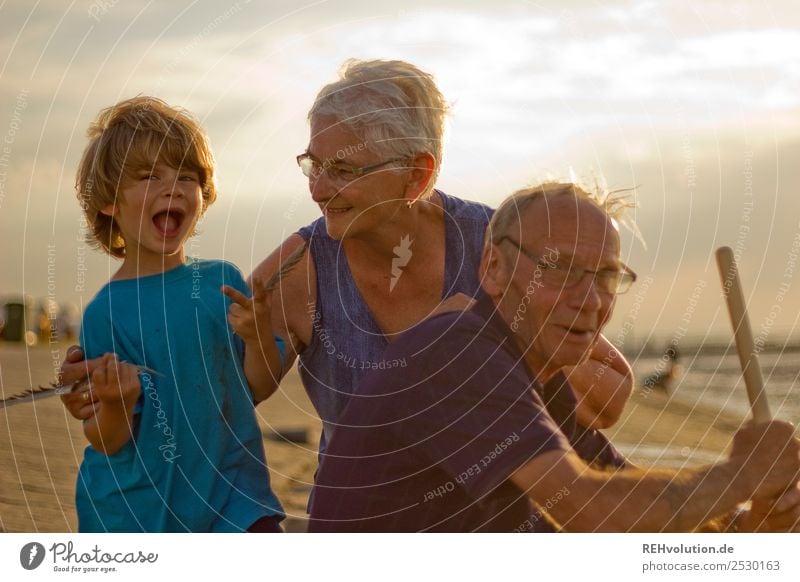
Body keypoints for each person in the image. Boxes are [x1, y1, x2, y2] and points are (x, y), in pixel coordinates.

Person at [61, 59, 632, 491]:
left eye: (342, 170)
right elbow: (219, 402)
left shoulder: (496, 246)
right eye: (313, 163)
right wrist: (113, 383)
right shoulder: (298, 270)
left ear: (417, 174)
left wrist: (479, 346)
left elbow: (610, 396)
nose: (317, 186)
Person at [307, 182, 800, 532]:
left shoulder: (541, 380)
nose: (589, 300)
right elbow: (591, 511)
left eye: (606, 275)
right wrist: (740, 475)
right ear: (493, 267)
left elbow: (639, 512)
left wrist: (758, 522)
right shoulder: (458, 353)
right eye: (559, 268)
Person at [70, 96, 285, 532]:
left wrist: (259, 336)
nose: (174, 188)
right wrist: (116, 400)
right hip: (139, 513)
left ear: (202, 196)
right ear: (109, 202)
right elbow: (107, 438)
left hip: (235, 500)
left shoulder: (220, 282)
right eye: (150, 176)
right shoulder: (105, 313)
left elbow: (258, 386)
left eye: (187, 176)